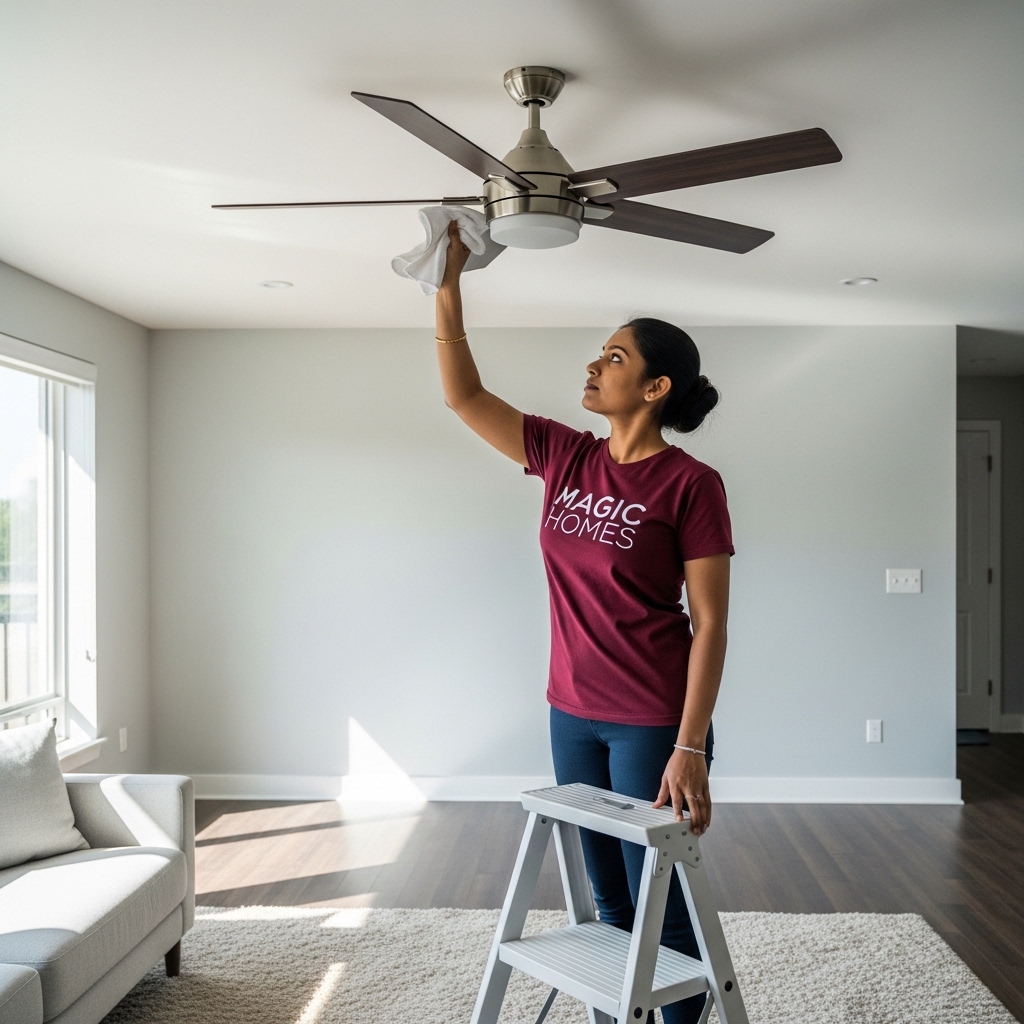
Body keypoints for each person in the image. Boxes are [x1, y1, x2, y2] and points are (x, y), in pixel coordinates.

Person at [434, 222, 733, 1024]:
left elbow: (709, 623)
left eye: (615, 358)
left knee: (660, 906)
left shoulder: (691, 484)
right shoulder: (566, 456)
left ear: (655, 388)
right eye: (599, 354)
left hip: (652, 721)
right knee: (605, 900)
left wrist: (691, 745)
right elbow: (464, 396)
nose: (594, 365)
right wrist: (447, 285)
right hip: (570, 710)